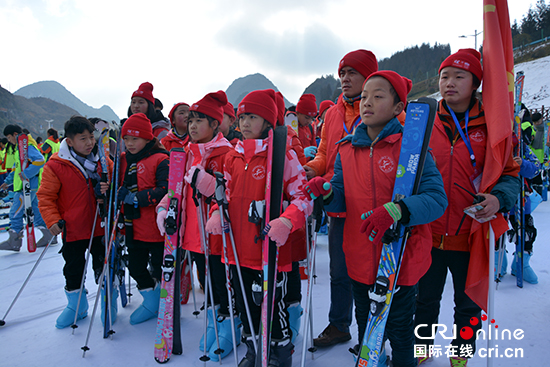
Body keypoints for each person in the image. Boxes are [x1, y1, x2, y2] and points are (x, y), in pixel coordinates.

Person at [304, 70, 447, 366]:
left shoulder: (411, 149)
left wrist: (397, 210)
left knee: (400, 331)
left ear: (398, 108)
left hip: (400, 262)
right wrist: (328, 193)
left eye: (378, 96)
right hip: (359, 258)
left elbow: (436, 200)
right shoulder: (346, 149)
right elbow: (340, 201)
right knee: (367, 328)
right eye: (365, 96)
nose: (367, 102)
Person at [414, 49, 521, 367]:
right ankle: (422, 349)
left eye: (459, 76)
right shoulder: (423, 121)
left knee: (468, 303)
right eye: (444, 76)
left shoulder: (493, 125)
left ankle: (461, 353)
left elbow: (510, 174)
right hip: (429, 232)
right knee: (425, 300)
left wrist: (499, 198)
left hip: (470, 233)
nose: (449, 83)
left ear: (475, 82)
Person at [205, 89, 312, 367]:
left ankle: (279, 353)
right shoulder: (233, 157)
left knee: (272, 306)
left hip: (269, 249)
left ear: (267, 121)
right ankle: (254, 350)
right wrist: (217, 212)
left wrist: (287, 220)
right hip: (237, 250)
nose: (245, 122)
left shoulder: (283, 156)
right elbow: (223, 194)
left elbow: (303, 197)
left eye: (252, 116)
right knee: (244, 305)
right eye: (241, 117)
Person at [304, 49, 378, 348]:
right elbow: (324, 152)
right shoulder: (332, 114)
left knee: (373, 272)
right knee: (339, 271)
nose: (345, 79)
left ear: (368, 76)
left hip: (370, 204)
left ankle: (374, 334)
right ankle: (339, 325)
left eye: (352, 73)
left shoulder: (385, 109)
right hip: (336, 202)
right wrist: (311, 169)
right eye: (342, 74)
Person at [157, 91, 239, 361]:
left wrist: (203, 181)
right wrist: (162, 207)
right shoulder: (185, 152)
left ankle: (229, 324)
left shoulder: (226, 153)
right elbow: (175, 188)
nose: (192, 126)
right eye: (190, 120)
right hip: (193, 231)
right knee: (205, 278)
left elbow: (229, 193)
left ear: (216, 124)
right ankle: (216, 320)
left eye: (200, 120)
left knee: (220, 280)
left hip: (217, 233)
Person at [37, 116, 111, 328]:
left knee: (103, 266)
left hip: (100, 227)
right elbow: (46, 197)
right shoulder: (56, 166)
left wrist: (107, 191)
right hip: (73, 229)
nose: (89, 143)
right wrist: (52, 220)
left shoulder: (104, 161)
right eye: (82, 139)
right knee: (73, 268)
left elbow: (115, 186)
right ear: (69, 141)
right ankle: (76, 306)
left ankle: (108, 301)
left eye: (91, 137)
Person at [118, 112, 169, 324]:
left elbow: (166, 190)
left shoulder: (161, 159)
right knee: (136, 267)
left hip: (156, 229)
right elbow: (116, 189)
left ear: (148, 138)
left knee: (160, 269)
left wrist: (136, 198)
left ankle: (163, 302)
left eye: (135, 139)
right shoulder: (122, 161)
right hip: (133, 227)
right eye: (126, 139)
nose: (130, 143)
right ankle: (151, 301)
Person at [0, 125, 52, 251]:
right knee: (37, 211)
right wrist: (8, 181)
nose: (10, 141)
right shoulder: (21, 147)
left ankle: (15, 241)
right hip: (28, 185)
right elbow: (19, 167)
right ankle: (49, 235)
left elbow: (39, 160)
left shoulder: (27, 146)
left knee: (15, 212)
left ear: (15, 134)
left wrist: (26, 174)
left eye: (9, 137)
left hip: (26, 186)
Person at [504, 133, 541, 284]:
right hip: (498, 200)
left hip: (521, 201)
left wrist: (523, 163)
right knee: (495, 234)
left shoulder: (521, 146)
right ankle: (496, 264)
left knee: (527, 233)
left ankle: (521, 264)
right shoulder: (491, 142)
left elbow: (536, 168)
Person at [295, 93, 318, 160]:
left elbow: (314, 147)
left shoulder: (310, 128)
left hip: (307, 167)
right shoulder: (289, 127)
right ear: (298, 113)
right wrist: (301, 153)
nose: (309, 121)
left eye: (312, 118)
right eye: (307, 117)